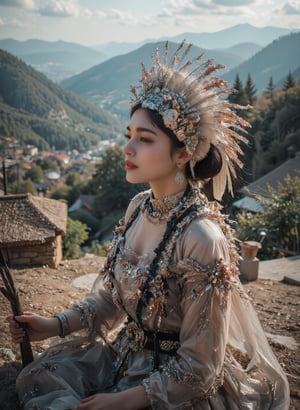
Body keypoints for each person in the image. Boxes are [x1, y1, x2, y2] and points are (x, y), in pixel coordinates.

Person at [8, 41, 289, 410]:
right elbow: (112, 298)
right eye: (129, 135)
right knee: (36, 379)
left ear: (184, 153)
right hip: (125, 357)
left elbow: (200, 367)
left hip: (173, 385)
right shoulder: (139, 208)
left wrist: (123, 401)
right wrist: (53, 324)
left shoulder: (202, 238)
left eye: (144, 139)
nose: (127, 148)